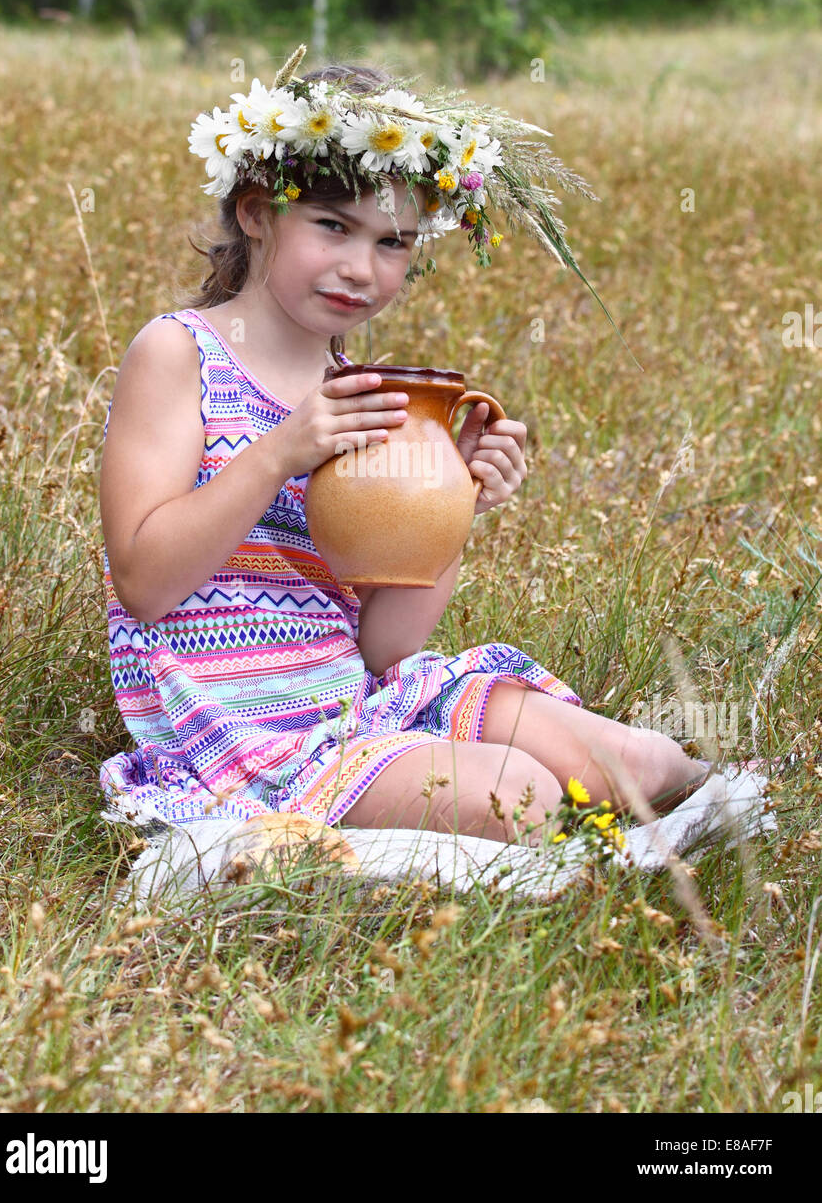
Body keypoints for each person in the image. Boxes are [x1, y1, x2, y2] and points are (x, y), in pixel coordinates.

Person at [98, 52, 710, 850]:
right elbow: (144, 582)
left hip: (353, 694)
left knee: (635, 759)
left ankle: (716, 814)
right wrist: (279, 454)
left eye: (394, 244)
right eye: (332, 227)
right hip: (239, 726)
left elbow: (387, 643)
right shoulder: (181, 354)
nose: (362, 269)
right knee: (524, 794)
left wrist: (454, 501)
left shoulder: (361, 392)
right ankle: (598, 854)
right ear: (255, 213)